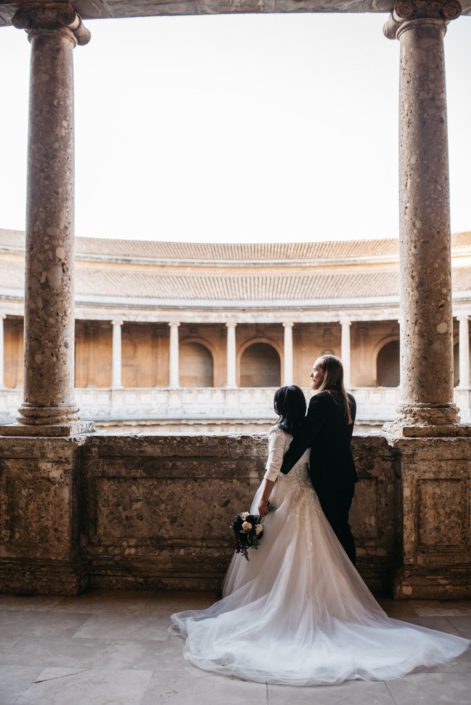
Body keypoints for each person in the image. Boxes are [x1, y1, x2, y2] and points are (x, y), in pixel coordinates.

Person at [170, 384, 469, 686]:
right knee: (311, 548)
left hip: (284, 493)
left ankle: (275, 600)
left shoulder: (278, 433)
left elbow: (274, 468)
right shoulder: (305, 432)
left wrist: (263, 500)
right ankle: (315, 602)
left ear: (278, 407)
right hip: (307, 493)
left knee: (274, 548)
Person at [279, 355, 357, 564]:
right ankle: (351, 578)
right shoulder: (349, 400)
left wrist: (282, 467)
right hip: (346, 474)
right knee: (342, 527)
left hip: (327, 477)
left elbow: (305, 438)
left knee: (331, 531)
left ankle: (346, 583)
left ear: (327, 373)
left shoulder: (321, 400)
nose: (311, 374)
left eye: (315, 370)